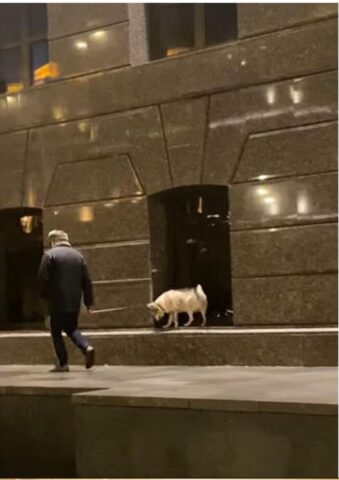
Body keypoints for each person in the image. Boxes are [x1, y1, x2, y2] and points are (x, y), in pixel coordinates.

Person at [38, 229, 95, 372]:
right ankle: (87, 347)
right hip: (74, 302)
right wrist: (88, 303)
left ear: (53, 241)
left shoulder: (49, 255)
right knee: (71, 328)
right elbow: (87, 282)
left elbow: (42, 279)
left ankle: (62, 364)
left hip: (56, 301)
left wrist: (44, 298)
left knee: (56, 331)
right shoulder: (79, 256)